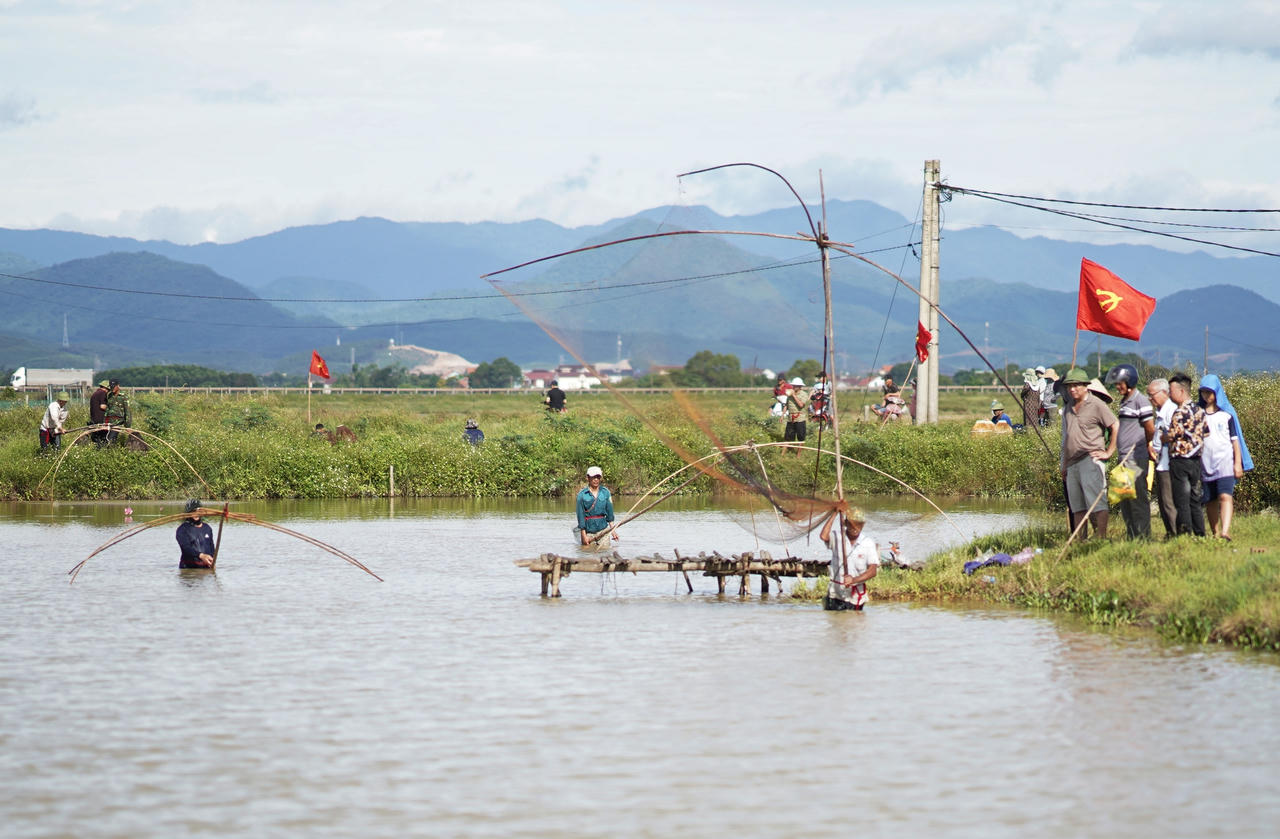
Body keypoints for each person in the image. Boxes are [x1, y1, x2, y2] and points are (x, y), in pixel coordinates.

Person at [1060, 367, 1118, 539]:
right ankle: (1081, 540)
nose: (1072, 389)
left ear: (1085, 386)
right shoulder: (1067, 408)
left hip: (1090, 458)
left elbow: (1114, 425)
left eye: (1076, 385)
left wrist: (1109, 452)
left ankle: (1100, 538)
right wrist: (1063, 465)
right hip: (1071, 463)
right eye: (1070, 386)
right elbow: (1065, 438)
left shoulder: (1096, 404)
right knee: (1077, 506)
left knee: (1096, 503)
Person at [1106, 364, 1155, 539]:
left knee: (1137, 500)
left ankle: (1143, 537)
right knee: (1124, 498)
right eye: (1117, 384)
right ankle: (1131, 535)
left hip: (1135, 458)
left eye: (1120, 383)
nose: (1118, 387)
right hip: (1123, 458)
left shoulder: (1140, 401)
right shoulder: (1125, 402)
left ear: (1130, 381)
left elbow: (1150, 427)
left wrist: (1148, 443)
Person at [1198, 375, 1249, 541]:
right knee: (1210, 500)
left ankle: (1225, 531)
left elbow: (1236, 442)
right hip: (1206, 465)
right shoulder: (1198, 415)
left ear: (1217, 392)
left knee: (1226, 496)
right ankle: (1215, 532)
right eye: (1203, 392)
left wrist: (1238, 464)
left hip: (1226, 464)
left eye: (1209, 392)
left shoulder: (1227, 415)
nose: (1206, 396)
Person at [1161, 373, 1209, 537]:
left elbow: (1172, 435)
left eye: (1171, 390)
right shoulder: (1200, 411)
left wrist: (1163, 436)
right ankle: (1200, 533)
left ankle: (1185, 534)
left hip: (1180, 460)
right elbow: (1206, 433)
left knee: (1181, 500)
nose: (1169, 394)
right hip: (1196, 460)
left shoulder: (1179, 413)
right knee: (1195, 499)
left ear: (1181, 391)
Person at [821, 507, 879, 611]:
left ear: (863, 525)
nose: (855, 527)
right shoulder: (838, 537)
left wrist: (854, 580)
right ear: (845, 523)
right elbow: (824, 536)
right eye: (852, 524)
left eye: (858, 524)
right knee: (836, 623)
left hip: (855, 597)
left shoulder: (867, 543)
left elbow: (873, 571)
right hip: (836, 594)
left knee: (854, 623)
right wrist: (834, 514)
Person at [1145, 378, 1179, 538]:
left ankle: (1175, 533)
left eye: (1152, 395)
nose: (1150, 399)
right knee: (1163, 500)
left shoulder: (1171, 411)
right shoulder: (1160, 412)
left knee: (1168, 500)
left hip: (1169, 462)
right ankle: (1170, 532)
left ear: (1164, 393)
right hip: (1159, 461)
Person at [576, 466, 618, 546]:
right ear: (588, 478)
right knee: (588, 555)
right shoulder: (582, 495)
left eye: (598, 477)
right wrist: (583, 535)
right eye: (593, 477)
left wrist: (613, 530)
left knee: (604, 553)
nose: (596, 480)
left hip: (603, 530)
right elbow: (580, 516)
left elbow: (610, 513)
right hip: (589, 532)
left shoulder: (605, 493)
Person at [175, 498, 216, 569]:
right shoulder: (183, 529)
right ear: (188, 513)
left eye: (198, 511)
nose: (196, 513)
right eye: (193, 511)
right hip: (189, 568)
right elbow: (186, 548)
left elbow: (211, 547)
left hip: (205, 568)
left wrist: (212, 561)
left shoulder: (207, 528)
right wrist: (201, 556)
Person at [783, 376, 809, 454]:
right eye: (793, 385)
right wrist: (782, 415)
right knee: (788, 437)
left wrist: (794, 395)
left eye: (795, 386)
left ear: (800, 386)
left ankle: (798, 455)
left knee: (801, 437)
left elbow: (801, 405)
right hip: (791, 418)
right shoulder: (789, 395)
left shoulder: (804, 394)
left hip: (800, 419)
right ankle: (783, 454)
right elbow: (786, 405)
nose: (793, 387)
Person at [103, 379, 129, 445]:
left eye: (114, 386)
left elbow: (127, 412)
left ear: (118, 386)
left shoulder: (123, 396)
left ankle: (111, 452)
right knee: (106, 438)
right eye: (111, 387)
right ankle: (111, 452)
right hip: (109, 421)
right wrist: (104, 421)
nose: (112, 388)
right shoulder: (109, 395)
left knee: (110, 438)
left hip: (118, 422)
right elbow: (107, 409)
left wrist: (127, 426)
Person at [89, 379, 110, 446]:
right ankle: (102, 450)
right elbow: (102, 406)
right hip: (100, 419)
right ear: (105, 388)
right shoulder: (102, 393)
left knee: (97, 438)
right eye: (108, 389)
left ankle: (98, 450)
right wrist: (111, 409)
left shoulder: (95, 394)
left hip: (94, 419)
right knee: (103, 438)